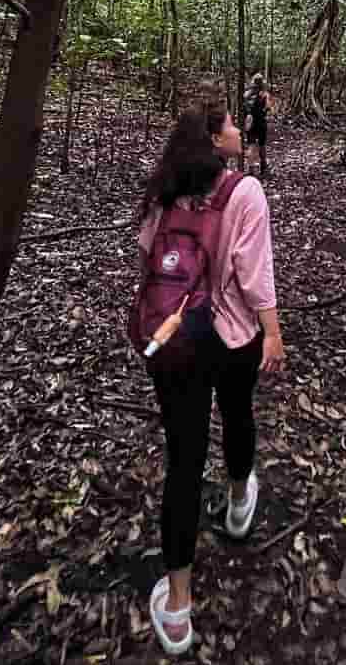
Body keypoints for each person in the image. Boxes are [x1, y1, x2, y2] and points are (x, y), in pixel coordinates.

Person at [137, 100, 285, 655]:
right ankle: (240, 499)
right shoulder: (245, 192)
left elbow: (147, 259)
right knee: (239, 412)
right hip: (233, 337)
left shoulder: (165, 191)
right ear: (214, 139)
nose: (239, 130)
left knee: (183, 460)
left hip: (175, 341)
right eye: (230, 125)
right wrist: (272, 331)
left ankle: (177, 606)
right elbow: (255, 273)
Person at [243, 72, 271, 178]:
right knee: (262, 145)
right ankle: (263, 167)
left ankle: (251, 170)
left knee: (251, 145)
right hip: (261, 122)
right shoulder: (265, 94)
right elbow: (268, 107)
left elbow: (243, 107)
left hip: (250, 122)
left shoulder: (246, 94)